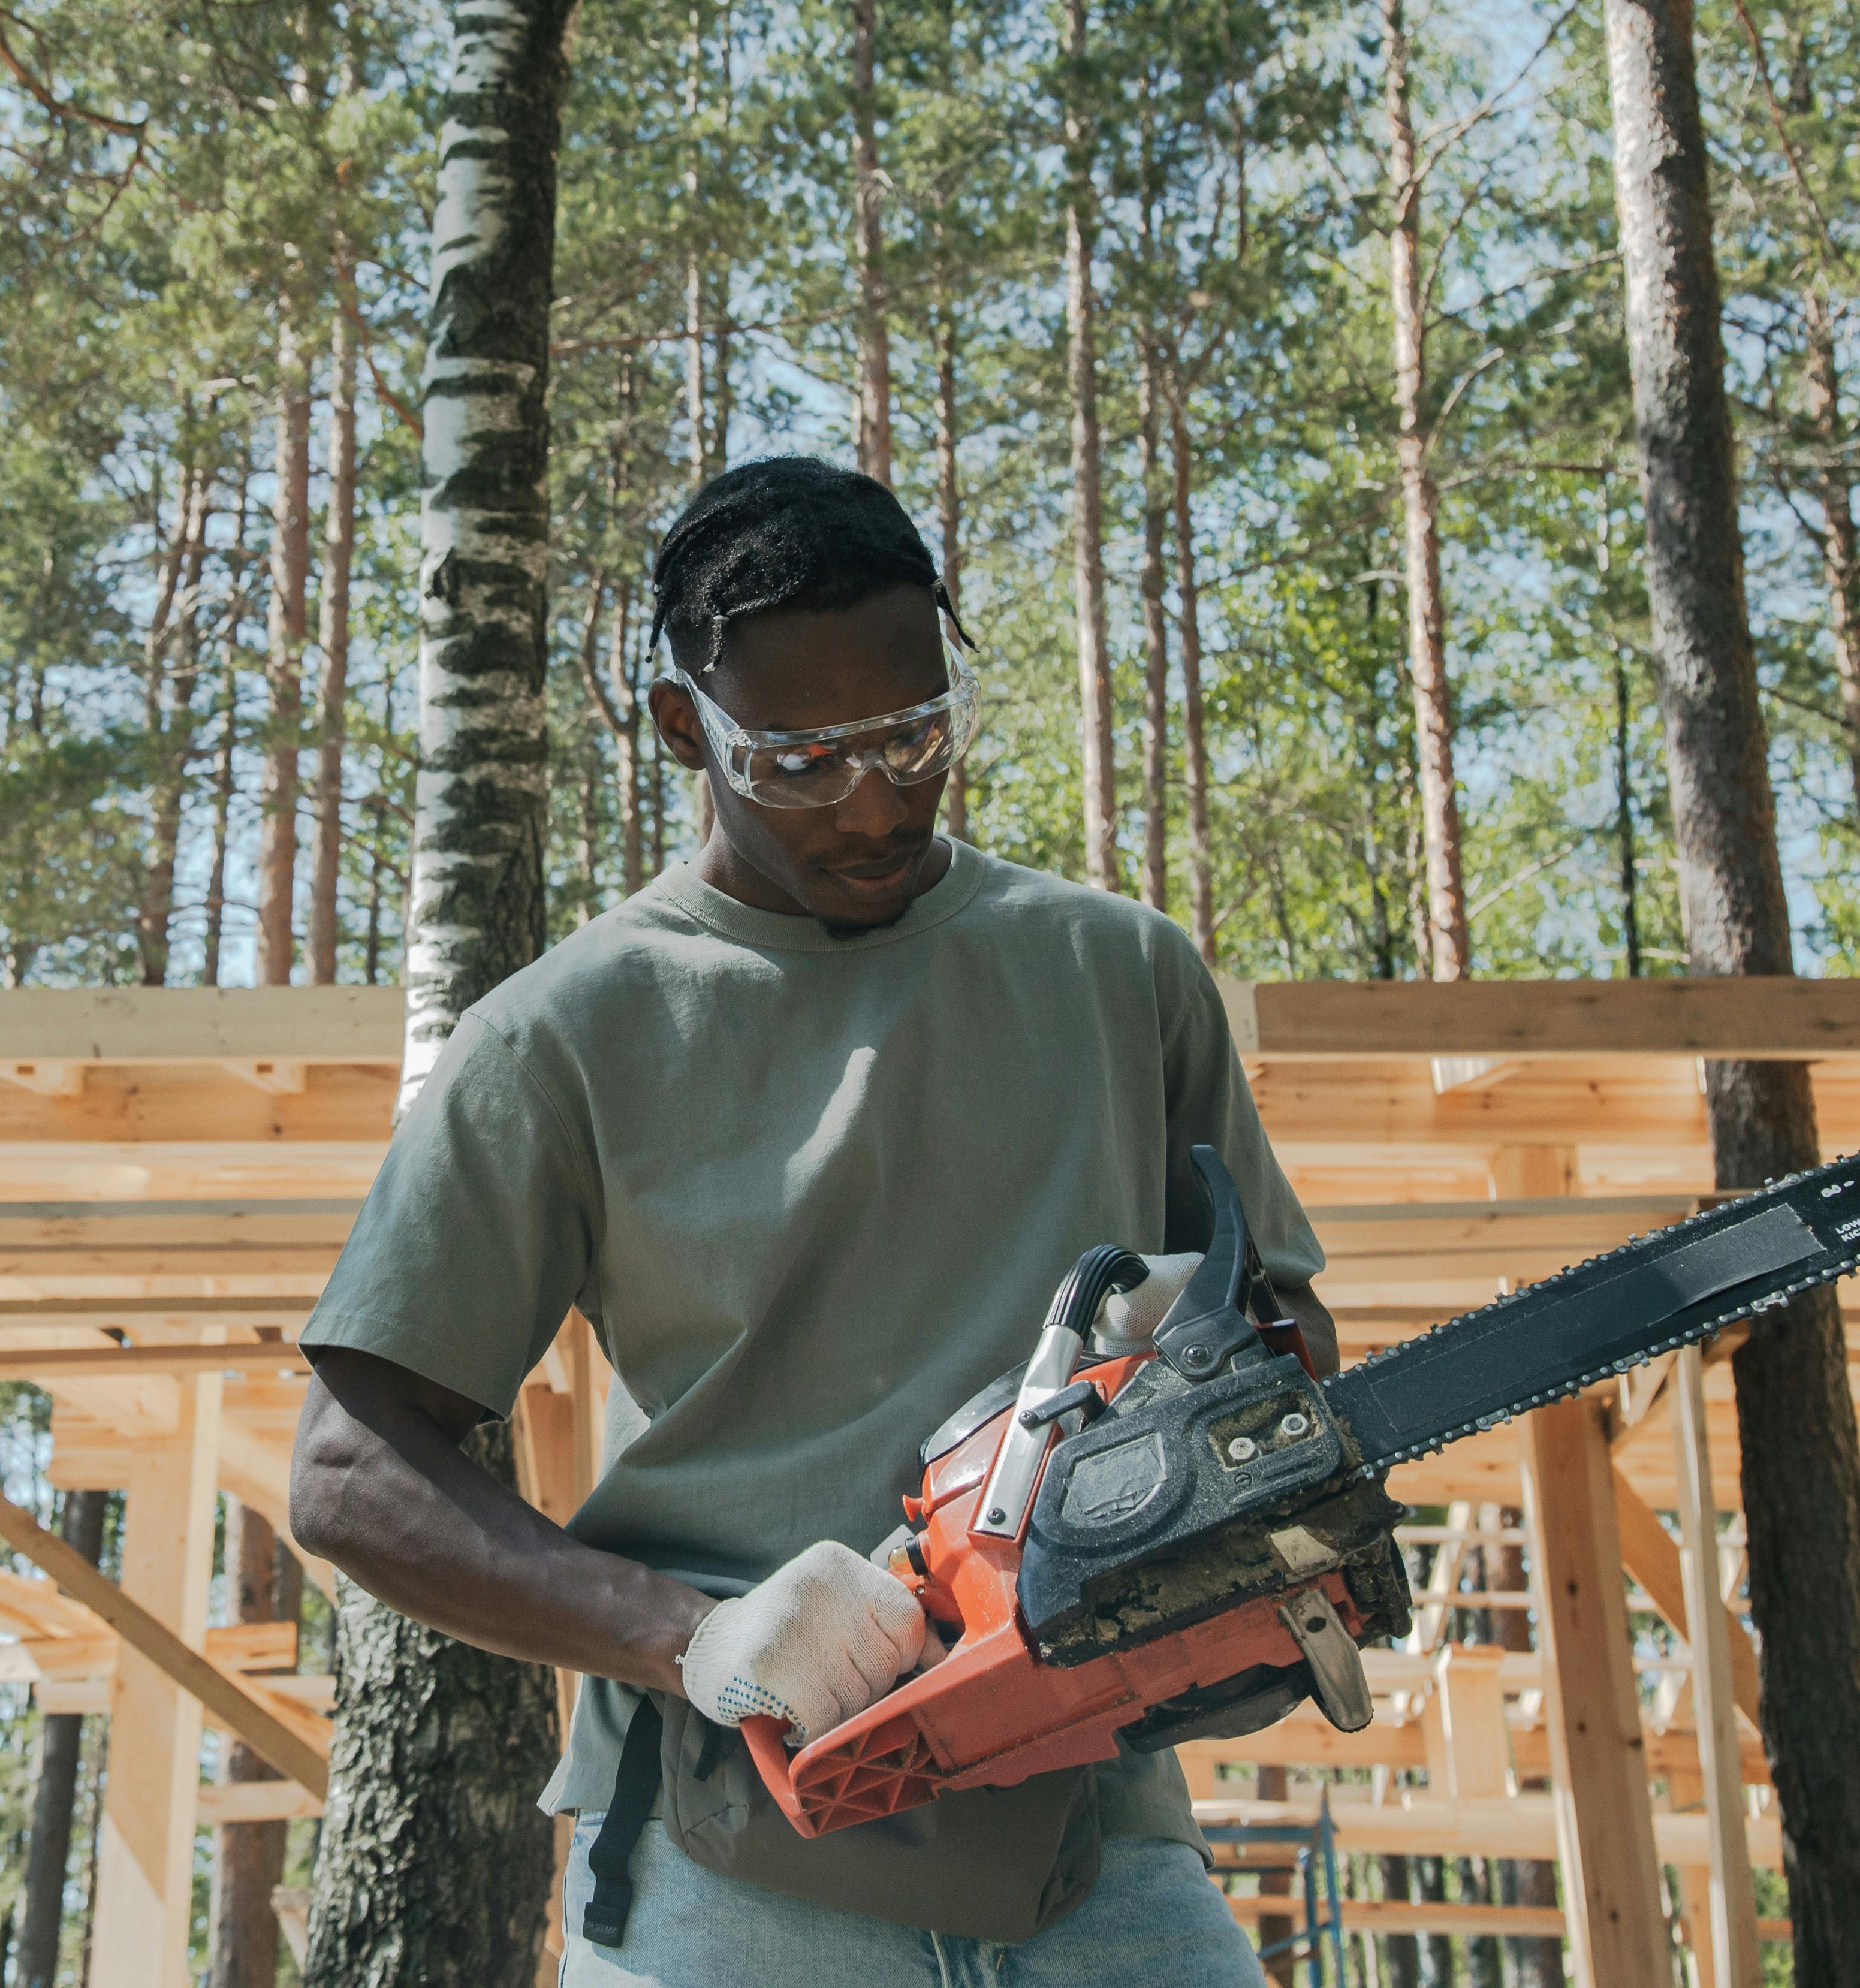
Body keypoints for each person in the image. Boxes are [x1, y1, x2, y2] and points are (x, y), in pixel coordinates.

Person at [291, 456, 1337, 1984]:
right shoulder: (564, 1038)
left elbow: (1283, 1325)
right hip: (728, 1869)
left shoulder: (1118, 976)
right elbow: (346, 1473)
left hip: (1099, 1836)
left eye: (915, 736)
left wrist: (1193, 1399)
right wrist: (687, 1638)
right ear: (681, 731)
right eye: (799, 760)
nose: (875, 799)